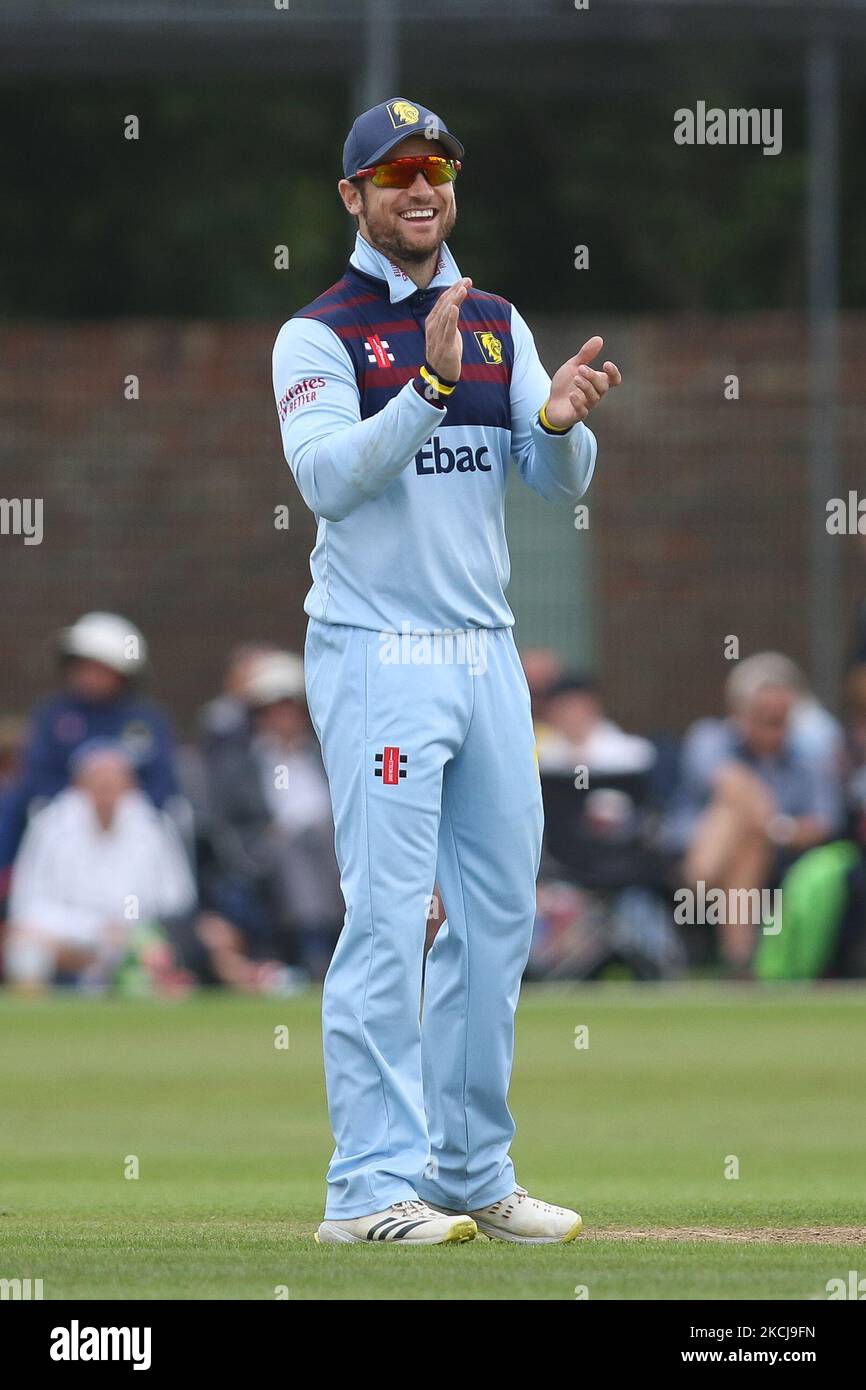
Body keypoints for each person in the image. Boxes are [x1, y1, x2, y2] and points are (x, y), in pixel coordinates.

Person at [272, 97, 621, 1245]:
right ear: (353, 198)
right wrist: (421, 389)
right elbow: (327, 480)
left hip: (482, 653)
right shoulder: (318, 334)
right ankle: (365, 1191)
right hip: (379, 651)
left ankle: (470, 1169)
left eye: (436, 170)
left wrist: (565, 424)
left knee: (493, 916)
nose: (419, 189)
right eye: (394, 174)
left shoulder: (496, 319)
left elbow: (552, 476)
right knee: (388, 919)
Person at [668, 653, 843, 972]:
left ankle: (737, 959)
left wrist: (773, 830)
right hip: (694, 849)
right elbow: (729, 782)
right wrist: (773, 823)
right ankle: (741, 962)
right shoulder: (708, 736)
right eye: (763, 716)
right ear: (740, 712)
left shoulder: (809, 759)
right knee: (735, 804)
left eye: (780, 718)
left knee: (750, 837)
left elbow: (824, 822)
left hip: (755, 859)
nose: (773, 726)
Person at [0, 612, 178, 904]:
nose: (89, 675)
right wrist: (85, 797)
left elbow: (164, 783)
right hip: (65, 826)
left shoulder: (146, 720)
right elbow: (36, 778)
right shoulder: (53, 715)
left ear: (121, 673)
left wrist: (118, 799)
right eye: (83, 666)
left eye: (100, 668)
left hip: (131, 832)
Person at [4, 741, 195, 993]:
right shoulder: (51, 826)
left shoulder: (151, 825)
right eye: (98, 781)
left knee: (164, 947)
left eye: (114, 780)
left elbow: (174, 897)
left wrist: (129, 922)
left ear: (129, 784)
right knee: (23, 948)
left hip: (136, 938)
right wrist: (92, 929)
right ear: (80, 785)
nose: (106, 789)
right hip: (67, 941)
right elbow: (28, 905)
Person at [202, 651, 343, 983]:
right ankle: (315, 942)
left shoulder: (327, 757)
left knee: (319, 836)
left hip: (331, 847)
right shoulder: (240, 767)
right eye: (271, 711)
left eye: (288, 709)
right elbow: (229, 826)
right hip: (268, 854)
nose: (281, 719)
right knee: (292, 845)